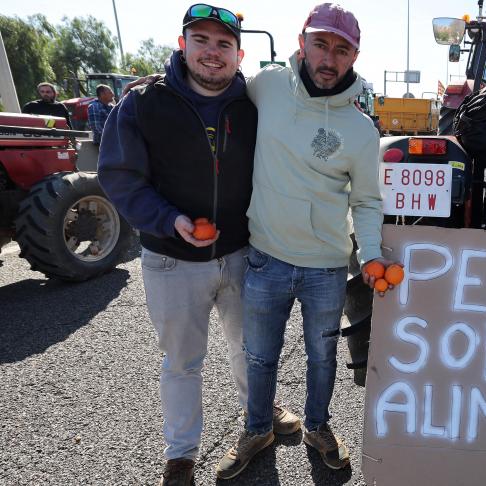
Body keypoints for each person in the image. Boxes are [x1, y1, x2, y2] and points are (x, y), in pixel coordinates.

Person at [97, 5, 299, 486]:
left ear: (238, 54)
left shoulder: (253, 106)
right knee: (182, 362)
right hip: (171, 259)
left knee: (251, 349)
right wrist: (169, 219)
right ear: (183, 44)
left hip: (243, 254)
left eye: (223, 44)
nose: (213, 52)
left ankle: (262, 411)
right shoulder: (144, 103)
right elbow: (120, 176)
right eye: (202, 40)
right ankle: (182, 454)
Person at [215, 2, 394, 478]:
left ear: (354, 57)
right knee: (259, 356)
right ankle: (258, 428)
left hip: (326, 267)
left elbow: (368, 203)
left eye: (341, 49)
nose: (329, 58)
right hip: (265, 258)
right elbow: (215, 88)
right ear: (302, 43)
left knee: (322, 357)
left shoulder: (359, 130)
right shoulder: (268, 86)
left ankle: (317, 426)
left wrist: (371, 254)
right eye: (321, 44)